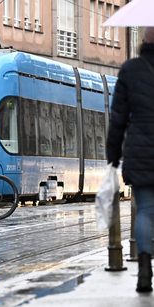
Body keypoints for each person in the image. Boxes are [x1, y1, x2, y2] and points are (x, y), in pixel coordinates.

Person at [106, 26, 154, 293]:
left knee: (145, 209)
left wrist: (113, 155)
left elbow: (118, 119)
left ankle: (145, 270)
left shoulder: (130, 69)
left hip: (140, 150)